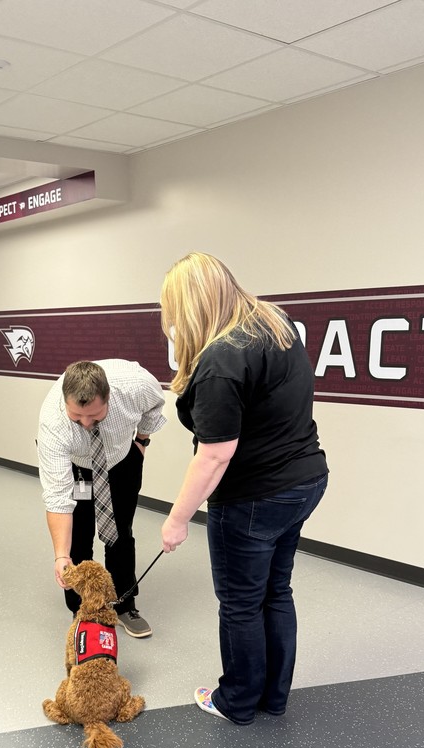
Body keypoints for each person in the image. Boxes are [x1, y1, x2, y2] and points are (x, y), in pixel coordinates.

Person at [159, 253, 328, 723]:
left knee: (239, 603)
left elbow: (214, 454)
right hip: (305, 481)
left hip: (255, 496)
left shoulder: (219, 360)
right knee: (276, 591)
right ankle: (272, 698)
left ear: (190, 307)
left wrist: (176, 520)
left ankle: (236, 701)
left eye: (173, 313)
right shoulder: (276, 324)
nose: (170, 325)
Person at [38, 359, 166, 638]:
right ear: (65, 403)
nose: (85, 424)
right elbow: (57, 497)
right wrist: (60, 555)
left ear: (109, 397)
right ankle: (83, 608)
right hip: (78, 465)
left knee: (120, 533)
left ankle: (124, 605)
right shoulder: (53, 423)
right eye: (77, 417)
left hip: (120, 460)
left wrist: (142, 440)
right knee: (79, 538)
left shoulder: (135, 385)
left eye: (95, 416)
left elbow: (156, 403)